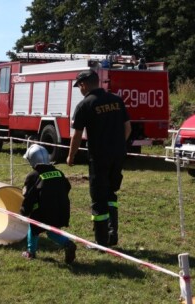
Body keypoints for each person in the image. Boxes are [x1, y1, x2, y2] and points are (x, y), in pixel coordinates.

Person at [66, 70, 131, 247]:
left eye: (79, 85)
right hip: (118, 155)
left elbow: (77, 135)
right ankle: (112, 234)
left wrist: (71, 156)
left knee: (98, 197)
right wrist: (117, 146)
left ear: (84, 84)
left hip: (99, 157)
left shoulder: (85, 105)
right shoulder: (117, 100)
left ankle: (101, 241)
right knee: (111, 194)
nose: (79, 89)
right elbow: (127, 128)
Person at [21, 144, 77, 264]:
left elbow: (29, 197)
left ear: (32, 160)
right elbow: (67, 187)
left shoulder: (33, 176)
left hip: (44, 212)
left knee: (33, 227)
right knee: (52, 232)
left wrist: (24, 211)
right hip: (61, 210)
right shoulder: (59, 173)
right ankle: (68, 244)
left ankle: (30, 252)